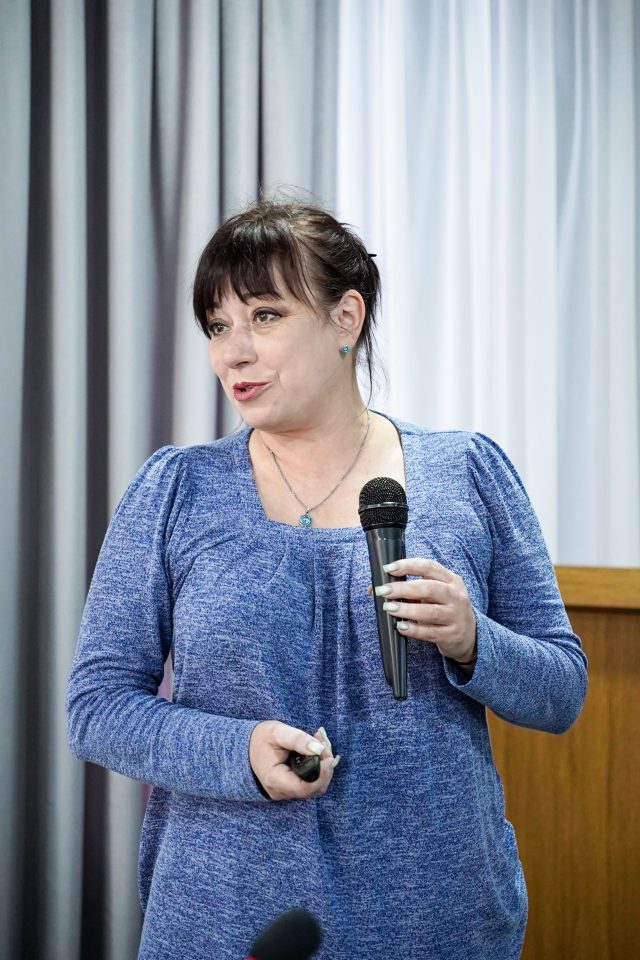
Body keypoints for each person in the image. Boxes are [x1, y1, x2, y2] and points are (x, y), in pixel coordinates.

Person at [66, 199, 588, 960]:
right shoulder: (176, 489)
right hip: (228, 919)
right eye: (217, 326)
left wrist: (474, 640)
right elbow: (96, 707)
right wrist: (239, 750)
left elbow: (563, 691)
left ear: (347, 317)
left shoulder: (469, 472)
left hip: (438, 920)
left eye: (265, 316)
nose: (233, 353)